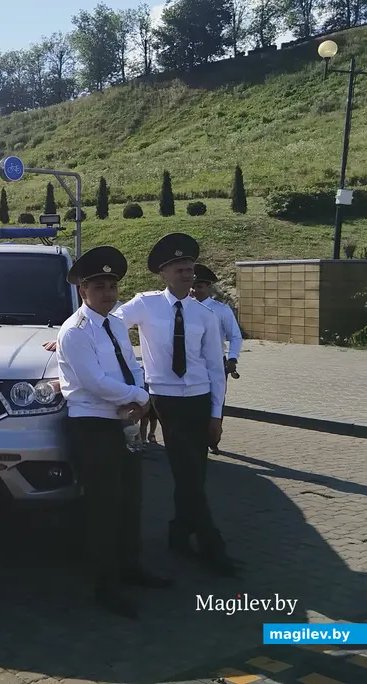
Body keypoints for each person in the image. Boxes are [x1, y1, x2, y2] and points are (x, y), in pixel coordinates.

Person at [56, 245, 173, 618]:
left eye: (112, 285)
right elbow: (95, 382)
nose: (108, 292)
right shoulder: (74, 331)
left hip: (124, 423)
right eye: (99, 286)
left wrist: (142, 398)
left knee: (131, 501)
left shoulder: (116, 323)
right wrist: (140, 397)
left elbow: (132, 365)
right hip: (93, 425)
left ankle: (131, 569)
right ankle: (106, 586)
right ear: (82, 291)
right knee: (105, 508)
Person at [113, 233, 237, 577]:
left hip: (199, 400)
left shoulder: (205, 315)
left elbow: (215, 368)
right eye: (179, 268)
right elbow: (107, 323)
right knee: (188, 474)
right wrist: (64, 333)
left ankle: (179, 533)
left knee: (193, 473)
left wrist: (216, 414)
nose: (187, 273)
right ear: (163, 274)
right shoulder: (146, 304)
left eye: (190, 268)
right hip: (166, 401)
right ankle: (213, 546)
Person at [191, 264, 243, 455]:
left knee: (216, 400)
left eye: (200, 286)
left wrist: (233, 358)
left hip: (215, 362)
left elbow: (235, 336)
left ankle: (213, 438)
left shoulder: (221, 310)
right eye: (193, 286)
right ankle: (196, 438)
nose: (195, 290)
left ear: (209, 287)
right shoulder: (185, 308)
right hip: (192, 363)